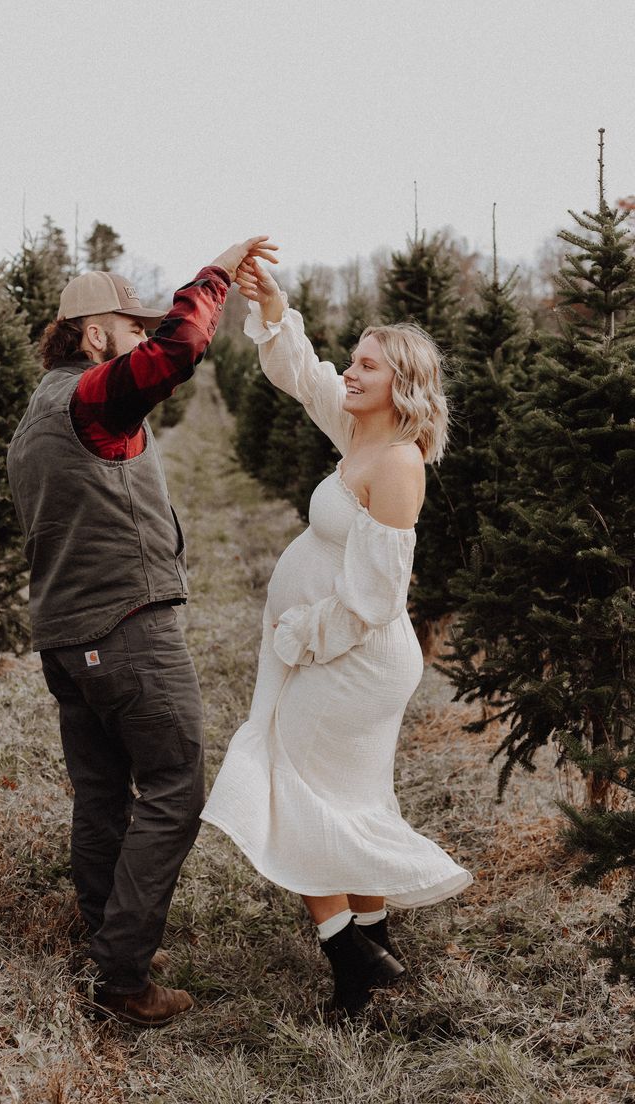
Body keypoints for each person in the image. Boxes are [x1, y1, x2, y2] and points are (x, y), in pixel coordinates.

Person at [7, 236, 277, 1027]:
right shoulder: (92, 396)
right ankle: (122, 979)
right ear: (95, 334)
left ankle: (107, 934)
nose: (143, 340)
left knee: (101, 795)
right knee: (174, 786)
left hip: (65, 633)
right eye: (131, 328)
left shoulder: (37, 412)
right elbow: (184, 346)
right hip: (125, 626)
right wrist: (218, 274)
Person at [201, 257, 472, 1018]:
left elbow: (379, 599)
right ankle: (378, 944)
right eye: (353, 358)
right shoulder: (355, 432)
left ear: (402, 383)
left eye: (367, 364)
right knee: (356, 796)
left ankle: (348, 960)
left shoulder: (396, 464)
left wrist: (300, 636)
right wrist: (277, 309)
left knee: (291, 779)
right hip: (340, 650)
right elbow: (307, 376)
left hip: (356, 655)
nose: (350, 372)